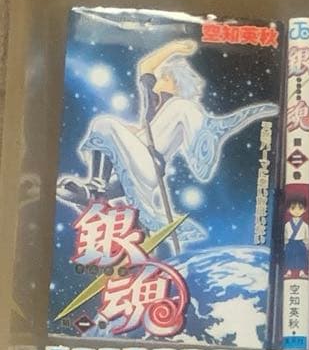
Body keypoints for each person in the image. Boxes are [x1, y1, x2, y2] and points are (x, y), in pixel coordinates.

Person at [56, 39, 278, 249]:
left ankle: (98, 189)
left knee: (104, 124)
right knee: (104, 131)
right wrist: (173, 48)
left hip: (150, 163)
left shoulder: (181, 106)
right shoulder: (154, 103)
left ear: (175, 82)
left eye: (164, 77)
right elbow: (145, 67)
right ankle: (95, 193)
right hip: (133, 159)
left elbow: (150, 77)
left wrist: (174, 49)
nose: (158, 81)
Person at [283, 195, 309, 277]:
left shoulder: (305, 225)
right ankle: (289, 271)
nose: (297, 211)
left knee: (301, 257)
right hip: (291, 242)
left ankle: (302, 272)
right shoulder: (287, 224)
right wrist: (285, 243)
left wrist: (307, 244)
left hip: (300, 243)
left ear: (304, 210)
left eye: (300, 208)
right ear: (288, 209)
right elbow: (285, 235)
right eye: (293, 208)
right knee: (289, 257)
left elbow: (307, 235)